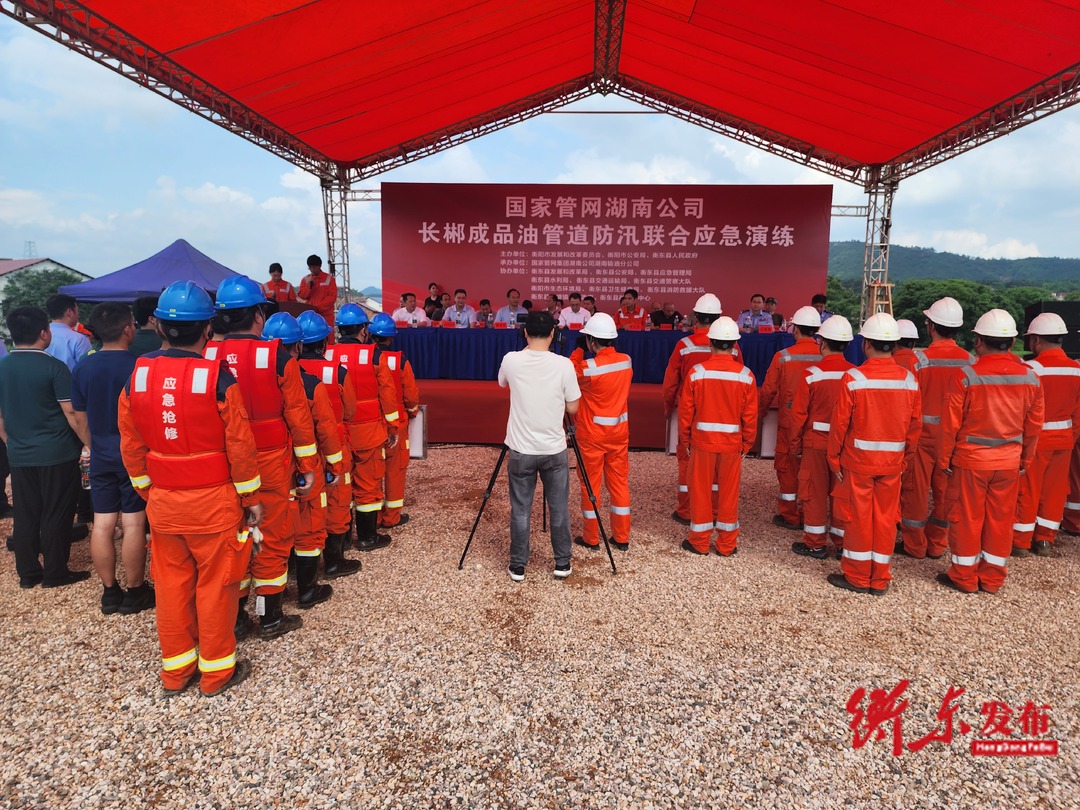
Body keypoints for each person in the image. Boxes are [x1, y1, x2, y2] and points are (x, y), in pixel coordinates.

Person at [117, 281, 261, 697]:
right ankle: (216, 673)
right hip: (214, 503)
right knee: (216, 585)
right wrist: (251, 500)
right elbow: (240, 444)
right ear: (208, 330)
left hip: (164, 503)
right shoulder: (218, 378)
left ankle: (176, 671)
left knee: (172, 584)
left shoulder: (137, 375)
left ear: (159, 327)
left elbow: (131, 442)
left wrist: (148, 489)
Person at [208, 275, 318, 639]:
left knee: (232, 537)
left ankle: (235, 618)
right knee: (271, 535)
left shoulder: (205, 356)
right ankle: (269, 617)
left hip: (221, 463)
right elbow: (299, 419)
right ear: (258, 315)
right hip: (270, 463)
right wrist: (308, 467)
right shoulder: (278, 357)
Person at [937, 309, 1043, 594]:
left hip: (971, 461)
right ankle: (992, 578)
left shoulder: (966, 376)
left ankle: (964, 576)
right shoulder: (1031, 378)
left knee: (967, 518)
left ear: (980, 341)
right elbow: (1034, 426)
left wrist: (943, 457)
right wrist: (1026, 458)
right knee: (1000, 520)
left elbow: (950, 425)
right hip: (1009, 462)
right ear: (1010, 342)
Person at [826, 313, 921, 595]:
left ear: (865, 343)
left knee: (857, 517)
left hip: (858, 463)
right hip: (892, 464)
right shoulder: (909, 380)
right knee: (885, 519)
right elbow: (915, 425)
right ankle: (879, 577)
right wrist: (906, 458)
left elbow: (839, 422)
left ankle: (857, 576)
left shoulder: (854, 378)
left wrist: (834, 457)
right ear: (893, 345)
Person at [70, 302, 152, 615]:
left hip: (101, 455)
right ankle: (136, 591)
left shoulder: (83, 367)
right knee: (133, 523)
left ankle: (109, 593)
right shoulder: (140, 366)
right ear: (128, 329)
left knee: (102, 524)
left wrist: (94, 446)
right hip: (134, 458)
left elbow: (81, 420)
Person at [0, 306, 91, 589]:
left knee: (26, 512)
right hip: (57, 452)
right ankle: (55, 572)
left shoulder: (2, 368)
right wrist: (90, 444)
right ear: (44, 333)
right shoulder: (54, 367)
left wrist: (11, 442)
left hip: (19, 453)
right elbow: (72, 413)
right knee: (57, 510)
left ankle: (28, 573)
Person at [262, 312, 341, 608]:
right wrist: (333, 466)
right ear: (296, 348)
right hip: (300, 467)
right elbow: (325, 429)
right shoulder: (310, 384)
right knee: (308, 527)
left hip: (266, 469)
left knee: (268, 533)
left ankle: (264, 606)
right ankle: (306, 591)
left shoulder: (244, 380)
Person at [498, 311, 580, 582]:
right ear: (554, 334)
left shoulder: (511, 359)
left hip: (521, 449)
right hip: (553, 448)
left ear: (524, 333)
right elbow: (573, 407)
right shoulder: (564, 364)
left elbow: (502, 382)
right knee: (559, 507)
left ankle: (518, 566)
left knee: (520, 509)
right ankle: (562, 562)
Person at [897, 297, 971, 560]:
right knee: (945, 494)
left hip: (922, 439)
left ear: (931, 326)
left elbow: (910, 404)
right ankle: (937, 544)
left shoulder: (920, 361)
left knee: (915, 493)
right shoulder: (971, 361)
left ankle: (914, 545)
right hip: (954, 441)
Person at [678, 317, 758, 556]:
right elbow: (750, 416)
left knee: (701, 490)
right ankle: (726, 544)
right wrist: (746, 444)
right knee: (729, 493)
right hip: (732, 445)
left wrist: (686, 440)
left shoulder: (696, 372)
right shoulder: (746, 375)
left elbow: (685, 412)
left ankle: (700, 542)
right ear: (735, 345)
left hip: (702, 442)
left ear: (710, 342)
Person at [326, 308, 400, 552]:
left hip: (339, 435)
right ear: (364, 330)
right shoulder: (375, 356)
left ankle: (343, 540)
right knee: (368, 485)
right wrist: (393, 427)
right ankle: (367, 537)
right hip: (369, 433)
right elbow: (388, 397)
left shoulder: (327, 355)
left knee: (341, 486)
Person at [296, 309, 362, 579]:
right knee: (337, 503)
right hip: (332, 445)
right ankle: (335, 562)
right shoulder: (337, 371)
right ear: (325, 342)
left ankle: (294, 569)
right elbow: (349, 411)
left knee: (303, 509)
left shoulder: (289, 373)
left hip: (298, 450)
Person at [1013, 313, 1080, 557]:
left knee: (1028, 488)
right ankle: (1044, 539)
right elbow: (1078, 414)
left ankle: (1020, 540)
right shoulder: (1077, 370)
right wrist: (1069, 439)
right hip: (1063, 440)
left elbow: (1021, 409)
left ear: (1036, 341)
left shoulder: (1030, 369)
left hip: (1035, 440)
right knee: (1054, 490)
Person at [788, 315, 855, 559]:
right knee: (842, 495)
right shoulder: (857, 375)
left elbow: (798, 415)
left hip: (815, 443)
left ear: (822, 343)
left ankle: (815, 543)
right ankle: (842, 543)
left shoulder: (811, 374)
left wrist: (795, 444)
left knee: (814, 493)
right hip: (845, 447)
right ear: (847, 344)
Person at [568, 313, 632, 552]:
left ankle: (591, 538)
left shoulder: (588, 368)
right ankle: (622, 536)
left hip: (592, 436)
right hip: (618, 433)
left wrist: (577, 351)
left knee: (590, 485)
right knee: (619, 483)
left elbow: (569, 373)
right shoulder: (626, 361)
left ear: (592, 341)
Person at [662, 293, 725, 525]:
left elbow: (671, 382)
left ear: (695, 317)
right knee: (718, 464)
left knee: (687, 460)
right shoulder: (732, 347)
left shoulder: (684, 344)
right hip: (722, 415)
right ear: (718, 317)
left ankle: (687, 511)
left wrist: (668, 407)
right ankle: (715, 510)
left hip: (690, 413)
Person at [759, 305, 823, 529]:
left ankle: (790, 515)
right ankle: (810, 514)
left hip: (789, 423)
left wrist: (760, 413)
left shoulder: (783, 357)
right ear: (817, 330)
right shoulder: (826, 356)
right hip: (819, 425)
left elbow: (768, 390)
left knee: (788, 468)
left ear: (795, 329)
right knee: (814, 470)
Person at [367, 314, 420, 528]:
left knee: (371, 471)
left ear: (370, 335)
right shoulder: (400, 360)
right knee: (395, 470)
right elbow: (411, 394)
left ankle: (374, 516)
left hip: (371, 420)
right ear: (391, 338)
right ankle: (391, 517)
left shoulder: (366, 358)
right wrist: (412, 412)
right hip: (397, 420)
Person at [44, 294, 91, 371]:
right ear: (69, 312)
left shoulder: (39, 335)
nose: (78, 314)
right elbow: (87, 370)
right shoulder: (79, 339)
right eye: (77, 311)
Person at [298, 254, 338, 326]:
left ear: (319, 266)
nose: (312, 270)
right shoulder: (305, 280)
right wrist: (309, 285)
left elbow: (332, 297)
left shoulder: (329, 279)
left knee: (328, 336)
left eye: (314, 267)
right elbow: (302, 296)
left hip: (325, 316)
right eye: (310, 267)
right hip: (310, 316)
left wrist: (318, 308)